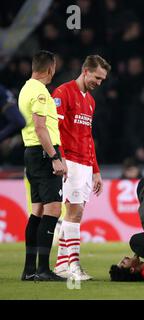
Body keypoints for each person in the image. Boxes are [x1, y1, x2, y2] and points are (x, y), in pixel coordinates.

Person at [52, 55, 111, 281]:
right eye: (97, 77)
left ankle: (61, 265)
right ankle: (73, 265)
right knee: (74, 213)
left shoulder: (91, 101)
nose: (99, 82)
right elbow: (53, 129)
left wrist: (95, 170)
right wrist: (60, 158)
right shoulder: (62, 92)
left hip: (85, 164)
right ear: (85, 71)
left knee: (76, 213)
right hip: (71, 162)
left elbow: (88, 137)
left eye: (102, 79)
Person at [18, 50, 67, 281]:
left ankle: (29, 270)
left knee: (37, 211)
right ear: (50, 68)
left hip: (31, 152)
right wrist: (55, 156)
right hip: (43, 153)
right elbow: (40, 127)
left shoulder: (26, 88)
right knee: (53, 209)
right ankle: (43, 270)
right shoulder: (39, 92)